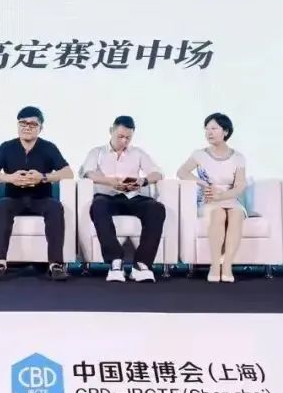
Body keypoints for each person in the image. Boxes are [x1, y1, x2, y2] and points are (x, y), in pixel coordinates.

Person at [0, 106, 74, 282]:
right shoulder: (7, 147)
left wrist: (43, 177)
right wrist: (10, 178)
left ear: (41, 128)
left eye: (32, 124)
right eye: (23, 123)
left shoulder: (48, 147)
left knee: (55, 207)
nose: (27, 127)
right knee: (0, 206)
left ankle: (56, 264)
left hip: (41, 198)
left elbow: (68, 172)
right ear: (18, 125)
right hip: (14, 198)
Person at [80, 115, 166, 283]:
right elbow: (87, 173)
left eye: (128, 138)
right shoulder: (97, 152)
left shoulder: (138, 153)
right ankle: (115, 261)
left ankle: (141, 264)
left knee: (157, 208)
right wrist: (109, 181)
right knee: (98, 205)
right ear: (111, 131)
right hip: (107, 196)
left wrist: (143, 181)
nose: (124, 141)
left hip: (133, 197)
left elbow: (157, 173)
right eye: (120, 136)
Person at [177, 113, 247, 283]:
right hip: (208, 198)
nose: (209, 132)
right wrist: (203, 183)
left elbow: (239, 186)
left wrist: (222, 195)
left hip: (230, 198)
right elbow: (181, 172)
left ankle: (227, 265)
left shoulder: (238, 157)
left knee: (236, 214)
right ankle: (215, 265)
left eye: (214, 128)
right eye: (207, 129)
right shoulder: (199, 154)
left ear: (225, 131)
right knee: (218, 214)